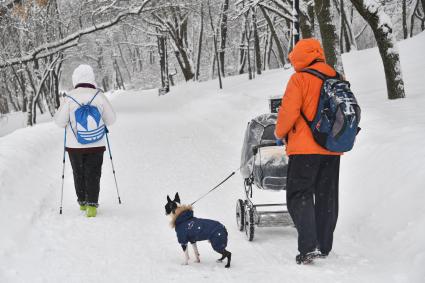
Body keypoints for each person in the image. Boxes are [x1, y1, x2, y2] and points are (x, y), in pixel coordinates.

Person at [275, 39, 342, 264]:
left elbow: (288, 112)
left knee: (299, 195)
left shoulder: (300, 78)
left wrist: (279, 134)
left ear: (299, 56)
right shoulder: (336, 76)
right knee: (327, 197)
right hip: (331, 148)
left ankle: (308, 248)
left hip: (304, 150)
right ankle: (324, 246)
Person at [54, 64, 116, 217]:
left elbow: (60, 122)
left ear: (75, 79)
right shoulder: (99, 95)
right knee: (94, 173)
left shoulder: (69, 97)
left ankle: (82, 202)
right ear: (91, 78)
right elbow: (111, 119)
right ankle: (92, 206)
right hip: (96, 144)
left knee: (78, 172)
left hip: (74, 146)